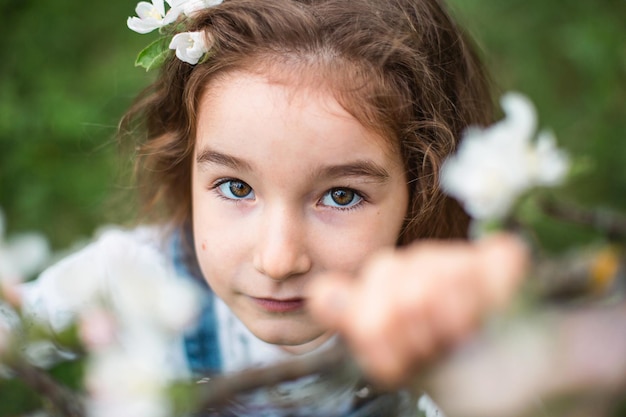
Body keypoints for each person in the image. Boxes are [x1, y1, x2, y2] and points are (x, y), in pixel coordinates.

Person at [20, 0, 528, 416]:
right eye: (237, 187)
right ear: (186, 164)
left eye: (341, 195)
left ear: (425, 188)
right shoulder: (133, 281)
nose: (278, 260)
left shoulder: (440, 329)